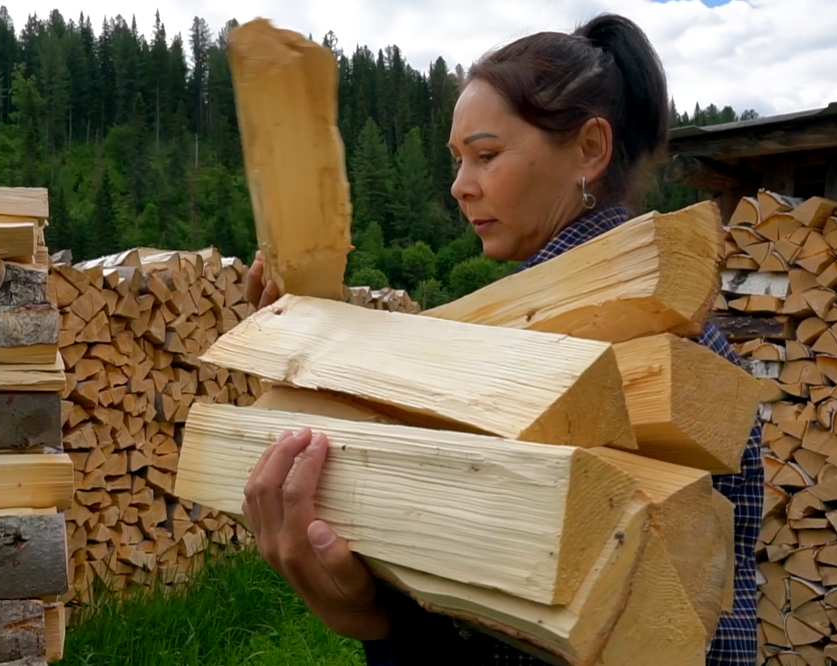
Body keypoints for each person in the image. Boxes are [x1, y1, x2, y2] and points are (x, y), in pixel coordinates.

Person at [240, 12, 761, 666]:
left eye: (486, 155)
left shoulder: (658, 360)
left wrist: (373, 618)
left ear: (590, 151)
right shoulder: (498, 337)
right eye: (458, 160)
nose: (461, 185)